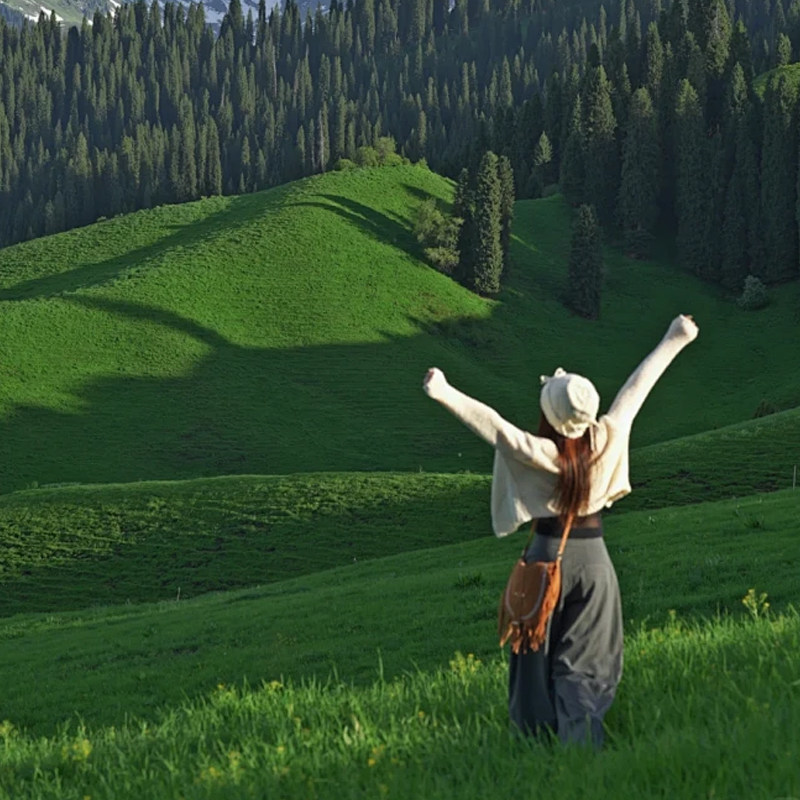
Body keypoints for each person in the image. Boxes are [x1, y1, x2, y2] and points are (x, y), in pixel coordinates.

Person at [422, 314, 699, 747]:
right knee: (585, 660)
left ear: (549, 416)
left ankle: (536, 741)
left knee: (531, 654)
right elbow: (636, 388)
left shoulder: (539, 452)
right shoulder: (608, 436)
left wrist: (443, 392)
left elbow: (494, 426)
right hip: (595, 562)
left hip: (545, 556)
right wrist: (675, 338)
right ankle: (582, 742)